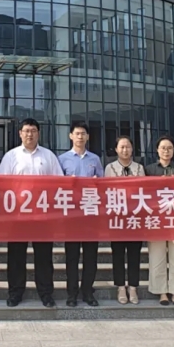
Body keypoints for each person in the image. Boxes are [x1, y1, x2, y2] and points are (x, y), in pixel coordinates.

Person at [0, 118, 64, 308]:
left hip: (43, 216)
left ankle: (46, 293)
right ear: (20, 133)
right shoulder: (11, 156)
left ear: (38, 133)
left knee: (44, 256)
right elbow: (1, 184)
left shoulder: (49, 156)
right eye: (26, 131)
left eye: (33, 131)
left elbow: (59, 183)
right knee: (16, 256)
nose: (29, 134)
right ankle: (15, 293)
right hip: (17, 216)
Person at [58, 121, 103, 307]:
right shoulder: (62, 159)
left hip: (91, 213)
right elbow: (56, 187)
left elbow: (103, 185)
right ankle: (72, 294)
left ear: (87, 137)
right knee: (72, 256)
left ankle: (88, 292)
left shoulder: (95, 159)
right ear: (71, 136)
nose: (80, 136)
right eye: (77, 133)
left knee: (91, 256)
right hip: (71, 214)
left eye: (83, 133)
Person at [144, 135, 174, 306]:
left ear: (173, 151)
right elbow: (144, 193)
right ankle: (161, 291)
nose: (166, 151)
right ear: (157, 150)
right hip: (156, 219)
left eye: (169, 148)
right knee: (157, 256)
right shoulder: (149, 169)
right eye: (163, 148)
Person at [104, 136, 145, 305]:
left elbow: (144, 191)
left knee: (135, 254)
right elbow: (106, 191)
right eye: (121, 147)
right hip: (117, 218)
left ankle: (133, 287)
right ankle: (121, 287)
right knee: (118, 254)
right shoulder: (110, 168)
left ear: (132, 149)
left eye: (128, 147)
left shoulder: (139, 168)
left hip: (135, 218)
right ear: (116, 149)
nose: (125, 150)